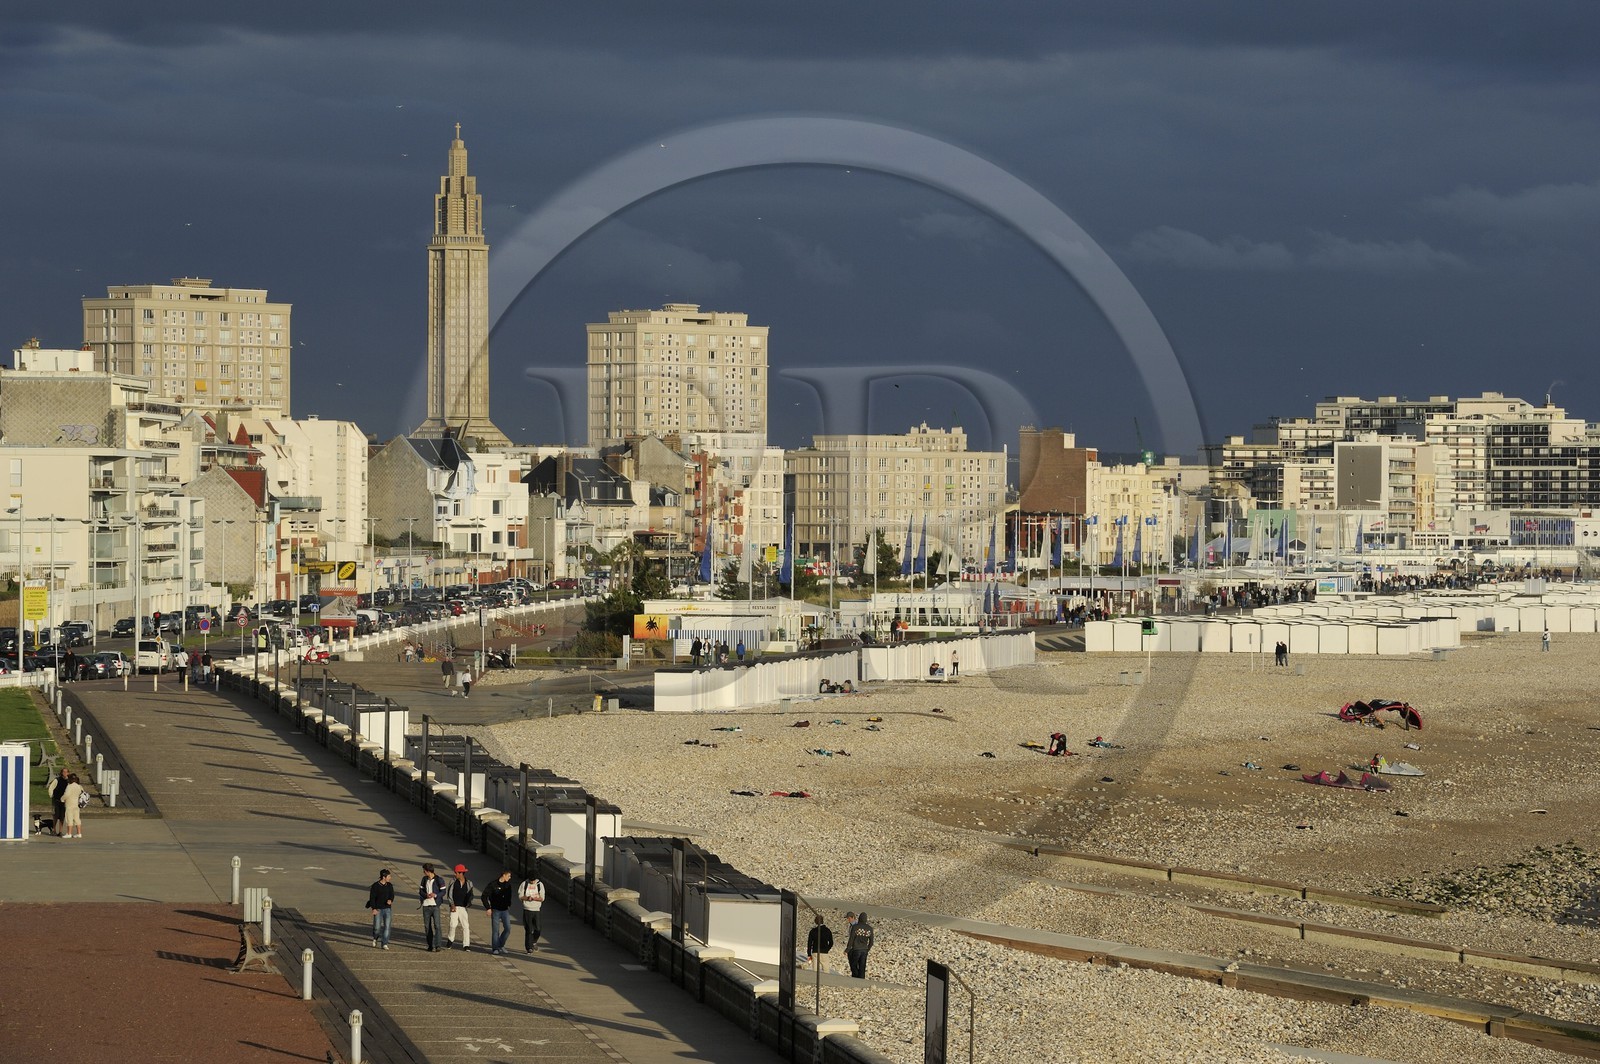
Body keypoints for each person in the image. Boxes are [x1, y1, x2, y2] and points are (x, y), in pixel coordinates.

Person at [483, 870, 515, 955]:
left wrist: (509, 904)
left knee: (508, 928)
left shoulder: (508, 885)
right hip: (495, 910)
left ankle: (501, 944)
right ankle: (495, 948)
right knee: (495, 930)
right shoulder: (493, 885)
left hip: (505, 910)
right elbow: (484, 896)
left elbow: (509, 896)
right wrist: (488, 908)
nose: (510, 878)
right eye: (508, 876)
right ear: (504, 875)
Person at [445, 863, 476, 949]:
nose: (455, 874)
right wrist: (452, 904)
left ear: (461, 873)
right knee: (453, 924)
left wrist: (469, 902)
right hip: (454, 906)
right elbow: (449, 894)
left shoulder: (469, 883)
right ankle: (450, 940)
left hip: (463, 907)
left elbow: (471, 894)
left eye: (457, 873)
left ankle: (466, 944)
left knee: (465, 926)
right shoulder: (453, 882)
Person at [418, 863, 446, 951]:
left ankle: (438, 945)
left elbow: (443, 892)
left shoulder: (439, 880)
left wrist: (436, 895)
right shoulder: (424, 879)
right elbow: (421, 891)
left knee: (437, 925)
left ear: (428, 871)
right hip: (426, 905)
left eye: (424, 871)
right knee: (427, 926)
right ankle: (430, 945)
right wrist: (425, 895)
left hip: (435, 906)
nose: (423, 872)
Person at [366, 868, 395, 949]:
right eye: (389, 876)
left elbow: (392, 895)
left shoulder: (389, 885)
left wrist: (390, 900)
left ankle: (384, 943)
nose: (390, 878)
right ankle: (375, 938)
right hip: (378, 909)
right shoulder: (375, 886)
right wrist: (373, 908)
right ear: (383, 877)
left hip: (387, 909)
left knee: (387, 926)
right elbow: (372, 898)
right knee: (377, 927)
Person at [519, 872, 545, 953]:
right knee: (528, 929)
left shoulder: (539, 885)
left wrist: (535, 898)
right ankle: (529, 947)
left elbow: (542, 898)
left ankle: (533, 941)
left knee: (538, 929)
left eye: (533, 881)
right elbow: (520, 896)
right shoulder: (524, 884)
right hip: (527, 909)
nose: (532, 882)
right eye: (531, 880)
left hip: (536, 909)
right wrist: (527, 898)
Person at [846, 910, 874, 978]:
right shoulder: (869, 928)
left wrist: (847, 949)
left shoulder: (855, 927)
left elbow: (851, 939)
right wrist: (867, 949)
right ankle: (861, 980)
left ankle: (855, 978)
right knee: (862, 966)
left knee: (853, 965)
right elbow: (871, 941)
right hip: (864, 950)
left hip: (856, 949)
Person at [61, 773, 85, 840]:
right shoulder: (79, 786)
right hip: (76, 804)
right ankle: (79, 833)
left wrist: (62, 799)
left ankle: (69, 833)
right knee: (77, 819)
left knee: (69, 819)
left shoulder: (69, 786)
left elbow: (67, 794)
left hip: (69, 804)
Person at [51, 768, 70, 837]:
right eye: (63, 772)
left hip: (64, 801)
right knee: (55, 816)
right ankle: (54, 830)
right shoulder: (57, 780)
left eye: (66, 772)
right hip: (56, 800)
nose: (65, 773)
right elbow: (51, 788)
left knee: (62, 817)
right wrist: (52, 795)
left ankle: (60, 831)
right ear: (61, 773)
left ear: (68, 773)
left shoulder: (69, 781)